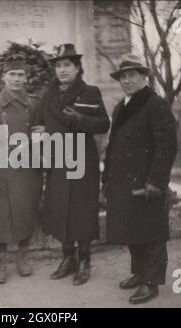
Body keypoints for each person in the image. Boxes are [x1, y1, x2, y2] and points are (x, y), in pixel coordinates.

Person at [103, 53, 177, 304]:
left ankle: (151, 282)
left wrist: (155, 182)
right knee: (132, 228)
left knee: (152, 232)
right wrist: (106, 179)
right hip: (123, 181)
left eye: (132, 75)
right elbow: (112, 146)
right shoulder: (121, 106)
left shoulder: (156, 104)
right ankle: (139, 272)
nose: (127, 80)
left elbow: (167, 147)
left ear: (143, 77)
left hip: (147, 182)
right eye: (123, 76)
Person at [37, 44, 110, 285]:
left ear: (78, 67)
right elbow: (41, 125)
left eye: (67, 64)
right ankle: (68, 258)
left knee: (82, 210)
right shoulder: (48, 96)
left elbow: (103, 124)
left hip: (82, 161)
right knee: (60, 208)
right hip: (58, 160)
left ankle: (85, 259)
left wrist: (81, 120)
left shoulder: (90, 91)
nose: (62, 70)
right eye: (58, 65)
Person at [0, 57, 42, 284]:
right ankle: (0, 262)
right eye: (12, 74)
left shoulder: (35, 104)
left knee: (25, 210)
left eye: (20, 75)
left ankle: (23, 257)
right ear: (4, 77)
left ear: (26, 78)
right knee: (1, 215)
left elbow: (43, 132)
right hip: (0, 168)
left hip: (26, 167)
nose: (16, 79)